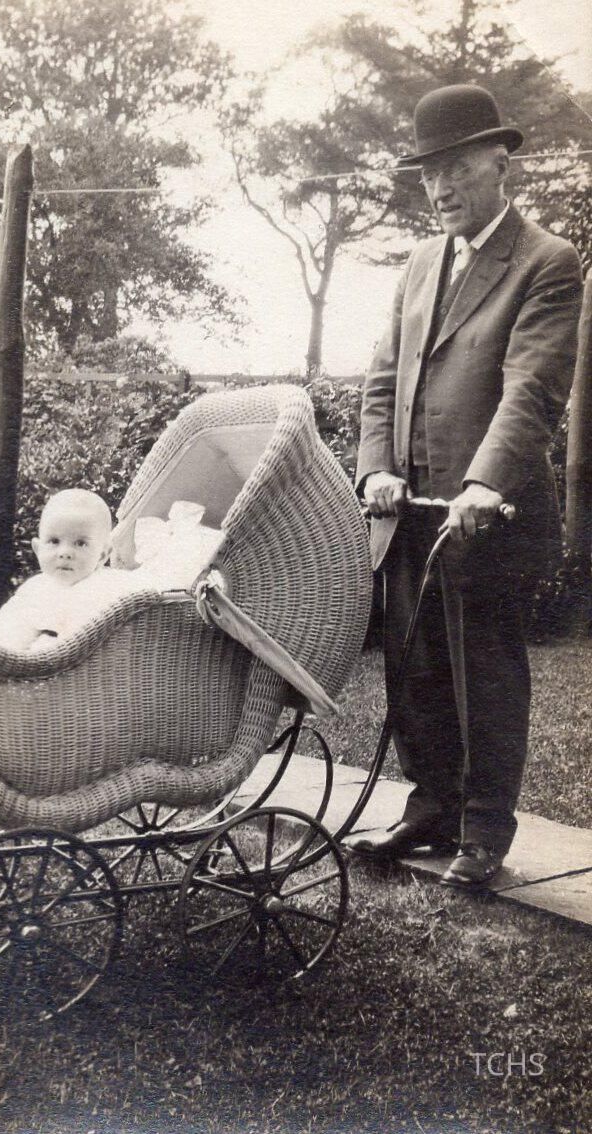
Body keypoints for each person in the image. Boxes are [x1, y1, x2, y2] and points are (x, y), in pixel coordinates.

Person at [346, 85, 582, 887]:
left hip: (486, 515)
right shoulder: (419, 263)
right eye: (429, 175)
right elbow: (383, 379)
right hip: (408, 509)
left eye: (456, 169)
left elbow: (532, 389)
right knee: (414, 671)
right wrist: (377, 468)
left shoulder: (546, 261)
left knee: (485, 674)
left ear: (499, 164)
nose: (440, 188)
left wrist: (483, 483)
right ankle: (430, 808)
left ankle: (483, 832)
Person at [0, 488, 133, 652]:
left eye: (81, 543)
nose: (65, 553)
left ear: (102, 555)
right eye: (54, 541)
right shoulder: (34, 588)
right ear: (38, 549)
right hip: (23, 661)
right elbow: (7, 629)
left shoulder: (104, 589)